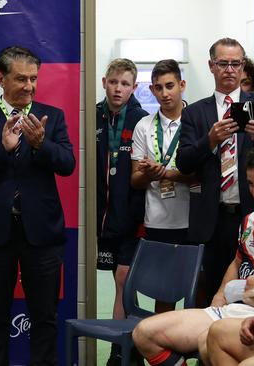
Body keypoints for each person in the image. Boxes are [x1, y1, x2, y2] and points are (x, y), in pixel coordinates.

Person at [132, 144, 254, 366]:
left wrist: (237, 289)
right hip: (231, 309)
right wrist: (221, 295)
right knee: (144, 333)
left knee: (208, 342)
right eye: (250, 184)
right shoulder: (251, 218)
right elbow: (238, 261)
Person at [0, 46, 75, 365]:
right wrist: (1, 149)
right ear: (1, 78)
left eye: (33, 79)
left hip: (42, 234)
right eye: (21, 78)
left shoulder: (53, 117)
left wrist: (41, 144)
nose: (29, 86)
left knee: (45, 318)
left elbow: (67, 165)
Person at [176, 38, 254, 304]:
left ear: (242, 66)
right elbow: (183, 163)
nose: (229, 69)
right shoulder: (194, 112)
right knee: (212, 292)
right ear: (211, 66)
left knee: (253, 292)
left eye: (235, 63)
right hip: (212, 220)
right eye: (223, 63)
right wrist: (210, 140)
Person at [95, 58, 148, 364]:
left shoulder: (140, 119)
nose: (118, 89)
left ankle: (121, 351)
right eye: (113, 82)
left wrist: (136, 215)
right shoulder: (94, 116)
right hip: (100, 220)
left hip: (130, 217)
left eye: (125, 84)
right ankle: (130, 345)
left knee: (123, 280)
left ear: (134, 87)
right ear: (104, 82)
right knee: (120, 283)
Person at [131, 59, 192, 244]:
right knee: (159, 273)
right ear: (151, 90)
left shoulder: (197, 121)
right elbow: (135, 180)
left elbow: (203, 176)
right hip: (155, 221)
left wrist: (166, 173)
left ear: (182, 85)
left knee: (189, 273)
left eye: (170, 86)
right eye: (158, 88)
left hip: (192, 218)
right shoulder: (143, 125)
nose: (164, 93)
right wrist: (151, 174)